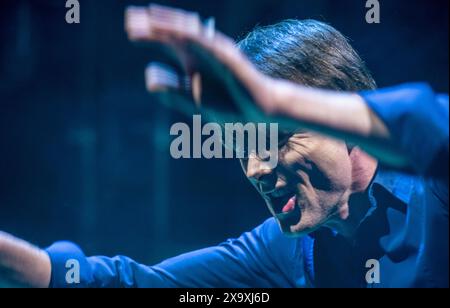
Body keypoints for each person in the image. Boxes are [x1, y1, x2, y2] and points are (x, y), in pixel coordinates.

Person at [0, 5, 448, 288]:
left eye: (274, 138)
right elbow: (136, 283)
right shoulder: (284, 248)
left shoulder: (434, 191)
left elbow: (428, 122)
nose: (255, 168)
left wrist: (274, 100)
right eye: (242, 146)